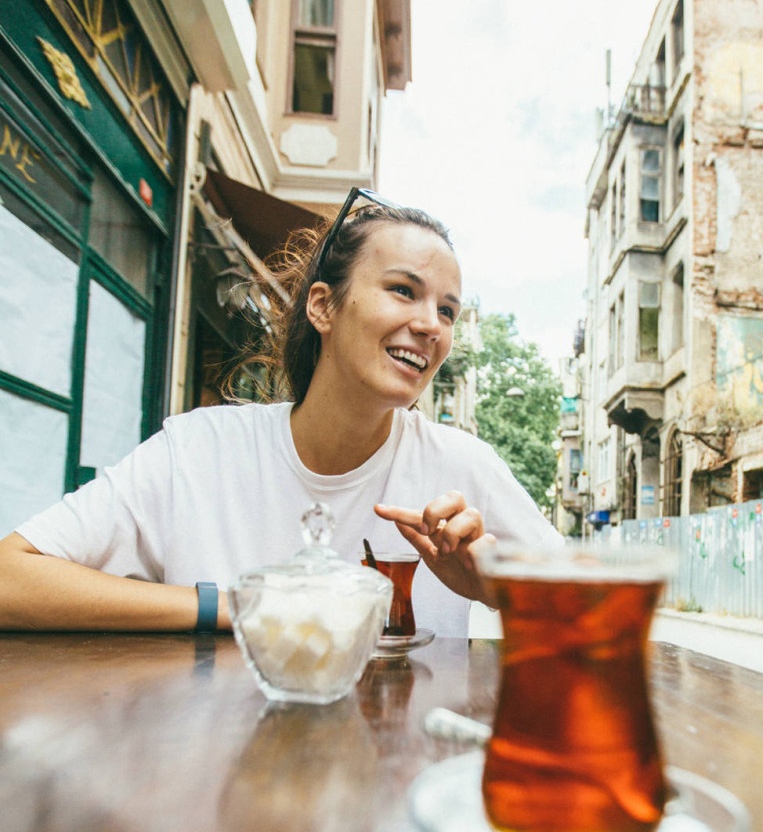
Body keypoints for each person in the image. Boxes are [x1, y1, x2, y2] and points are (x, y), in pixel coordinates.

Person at [0, 188, 561, 637]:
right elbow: (10, 577)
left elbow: (593, 617)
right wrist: (242, 607)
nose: (430, 325)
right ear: (323, 306)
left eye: (447, 311)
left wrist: (498, 591)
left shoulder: (462, 469)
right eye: (402, 290)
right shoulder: (199, 451)